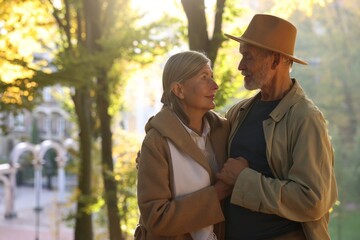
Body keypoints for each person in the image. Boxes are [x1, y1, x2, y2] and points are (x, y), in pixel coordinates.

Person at [216, 14, 338, 240]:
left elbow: (313, 201)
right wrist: (160, 151)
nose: (240, 66)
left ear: (275, 60)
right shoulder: (239, 112)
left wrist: (244, 179)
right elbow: (203, 140)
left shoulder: (306, 119)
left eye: (248, 57)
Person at [135, 50, 231, 240]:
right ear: (179, 90)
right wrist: (217, 193)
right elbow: (157, 219)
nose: (215, 85)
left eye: (211, 76)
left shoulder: (223, 131)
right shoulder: (157, 142)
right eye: (204, 78)